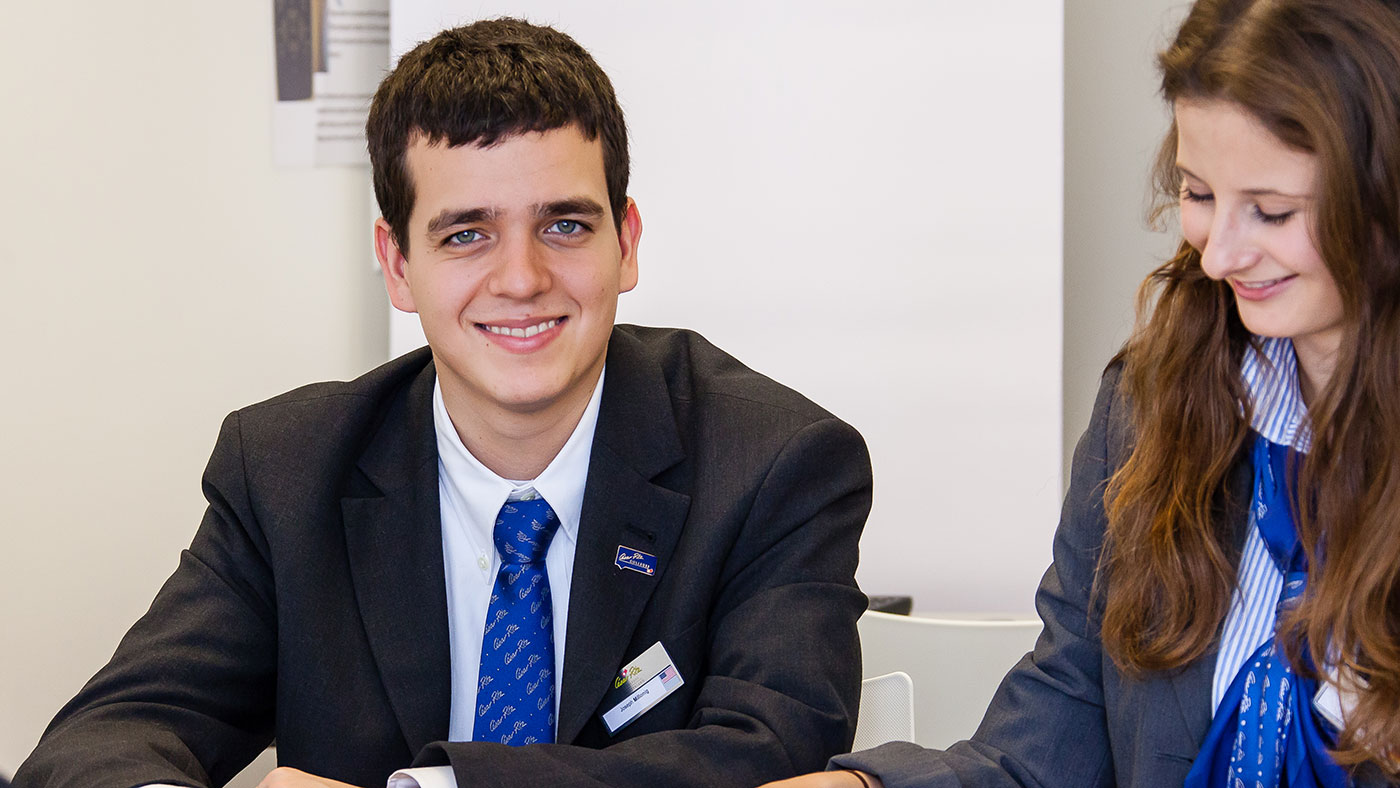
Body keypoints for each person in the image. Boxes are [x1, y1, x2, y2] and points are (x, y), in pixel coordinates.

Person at [14, 18, 871, 788]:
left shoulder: (774, 462)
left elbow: (777, 752)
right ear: (397, 266)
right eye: (466, 234)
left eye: (565, 225)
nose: (522, 279)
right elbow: (104, 739)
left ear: (627, 241)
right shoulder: (286, 470)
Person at [768, 0, 1400, 786]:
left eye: (1270, 212)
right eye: (1199, 195)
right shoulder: (1151, 404)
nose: (1218, 256)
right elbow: (1056, 727)